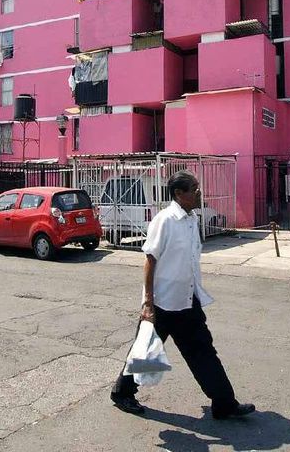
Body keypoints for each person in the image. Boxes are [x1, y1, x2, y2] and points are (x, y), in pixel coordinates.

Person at [110, 170, 255, 420]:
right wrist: (148, 304)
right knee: (145, 351)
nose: (200, 192)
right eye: (195, 189)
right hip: (162, 303)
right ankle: (122, 393)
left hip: (187, 300)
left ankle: (224, 403)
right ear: (179, 193)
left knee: (203, 352)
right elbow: (150, 261)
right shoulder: (164, 220)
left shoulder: (191, 219)